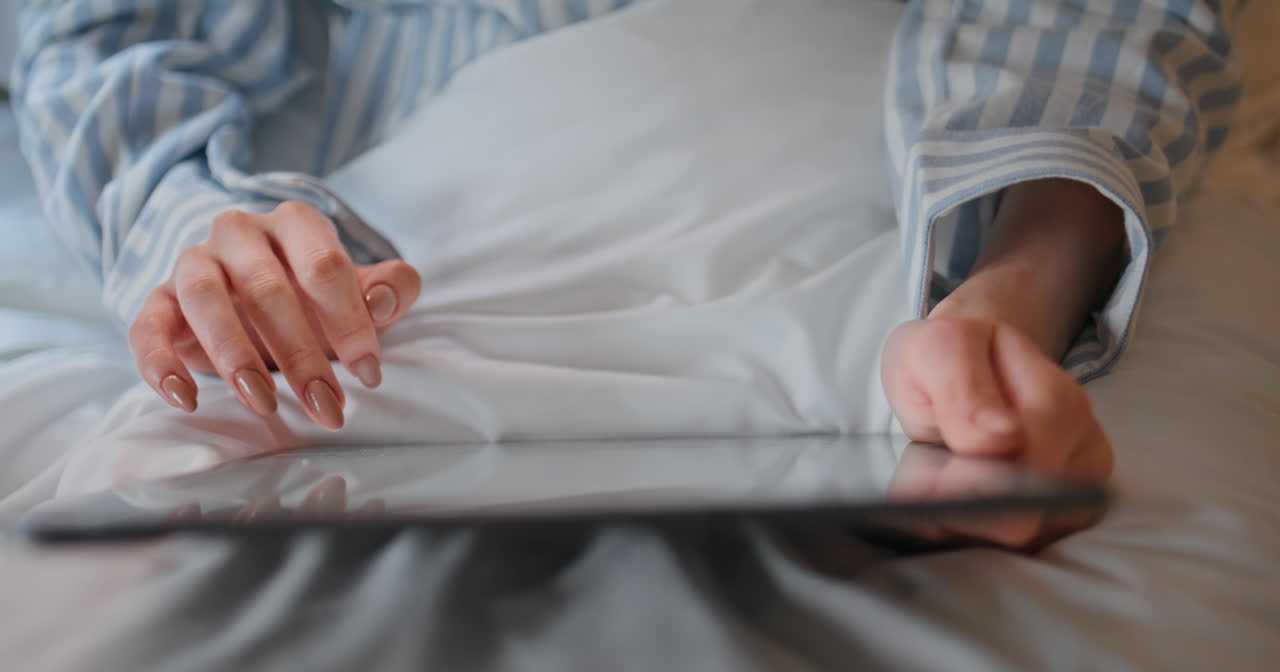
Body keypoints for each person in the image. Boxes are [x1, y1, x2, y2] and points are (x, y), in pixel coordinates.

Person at [10, 0, 1245, 482]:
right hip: (426, 232)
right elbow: (105, 34)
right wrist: (198, 224)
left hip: (891, 187)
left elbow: (1106, 17)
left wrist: (1004, 296)